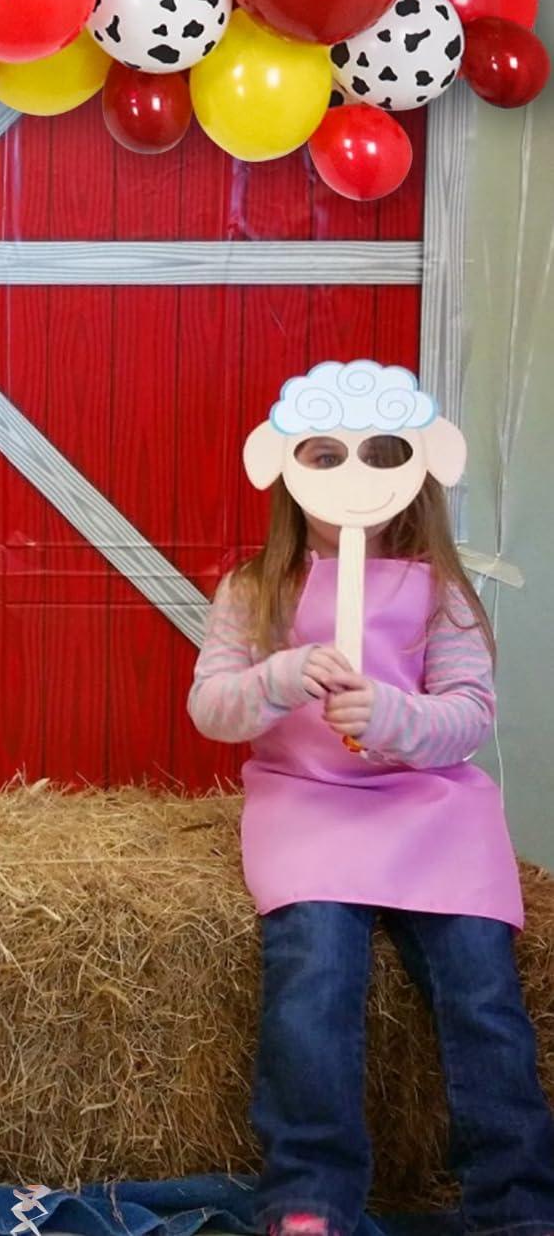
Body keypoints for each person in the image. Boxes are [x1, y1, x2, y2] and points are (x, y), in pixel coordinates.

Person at [189, 364, 554, 1236]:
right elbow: (212, 708)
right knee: (312, 975)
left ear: (414, 469)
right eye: (324, 455)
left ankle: (517, 1199)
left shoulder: (444, 594)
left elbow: (466, 719)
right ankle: (310, 1193)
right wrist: (278, 678)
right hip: (309, 806)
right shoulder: (252, 591)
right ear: (288, 468)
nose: (351, 476)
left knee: (481, 991)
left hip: (432, 810)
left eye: (378, 455)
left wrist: (391, 715)